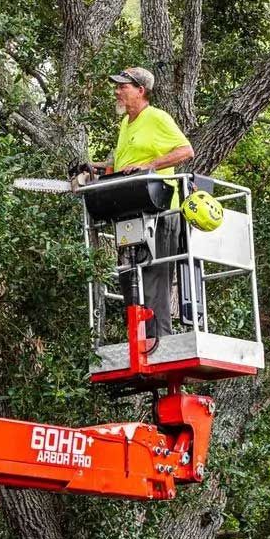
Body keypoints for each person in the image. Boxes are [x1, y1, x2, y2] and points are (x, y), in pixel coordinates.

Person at [92, 67, 195, 339]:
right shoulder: (126, 124)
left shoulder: (157, 118)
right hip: (130, 210)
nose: (117, 91)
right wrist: (97, 169)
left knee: (155, 275)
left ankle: (160, 336)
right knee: (129, 274)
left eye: (123, 86)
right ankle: (139, 338)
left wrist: (149, 166)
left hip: (160, 210)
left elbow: (185, 150)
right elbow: (120, 164)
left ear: (141, 90)